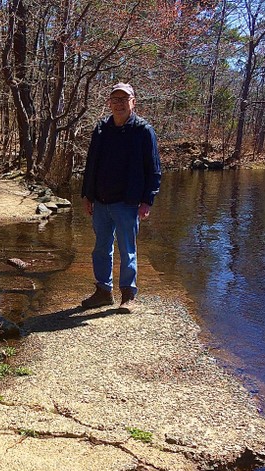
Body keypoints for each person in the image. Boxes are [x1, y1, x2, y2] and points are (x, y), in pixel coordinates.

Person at [80, 82, 161, 313]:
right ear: (109, 103)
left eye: (124, 100)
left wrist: (147, 200)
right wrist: (88, 195)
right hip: (101, 201)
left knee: (127, 249)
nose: (119, 104)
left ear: (133, 102)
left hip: (128, 202)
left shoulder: (143, 131)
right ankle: (103, 292)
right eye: (115, 100)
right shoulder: (101, 129)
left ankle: (128, 295)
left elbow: (154, 169)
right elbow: (91, 164)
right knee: (100, 248)